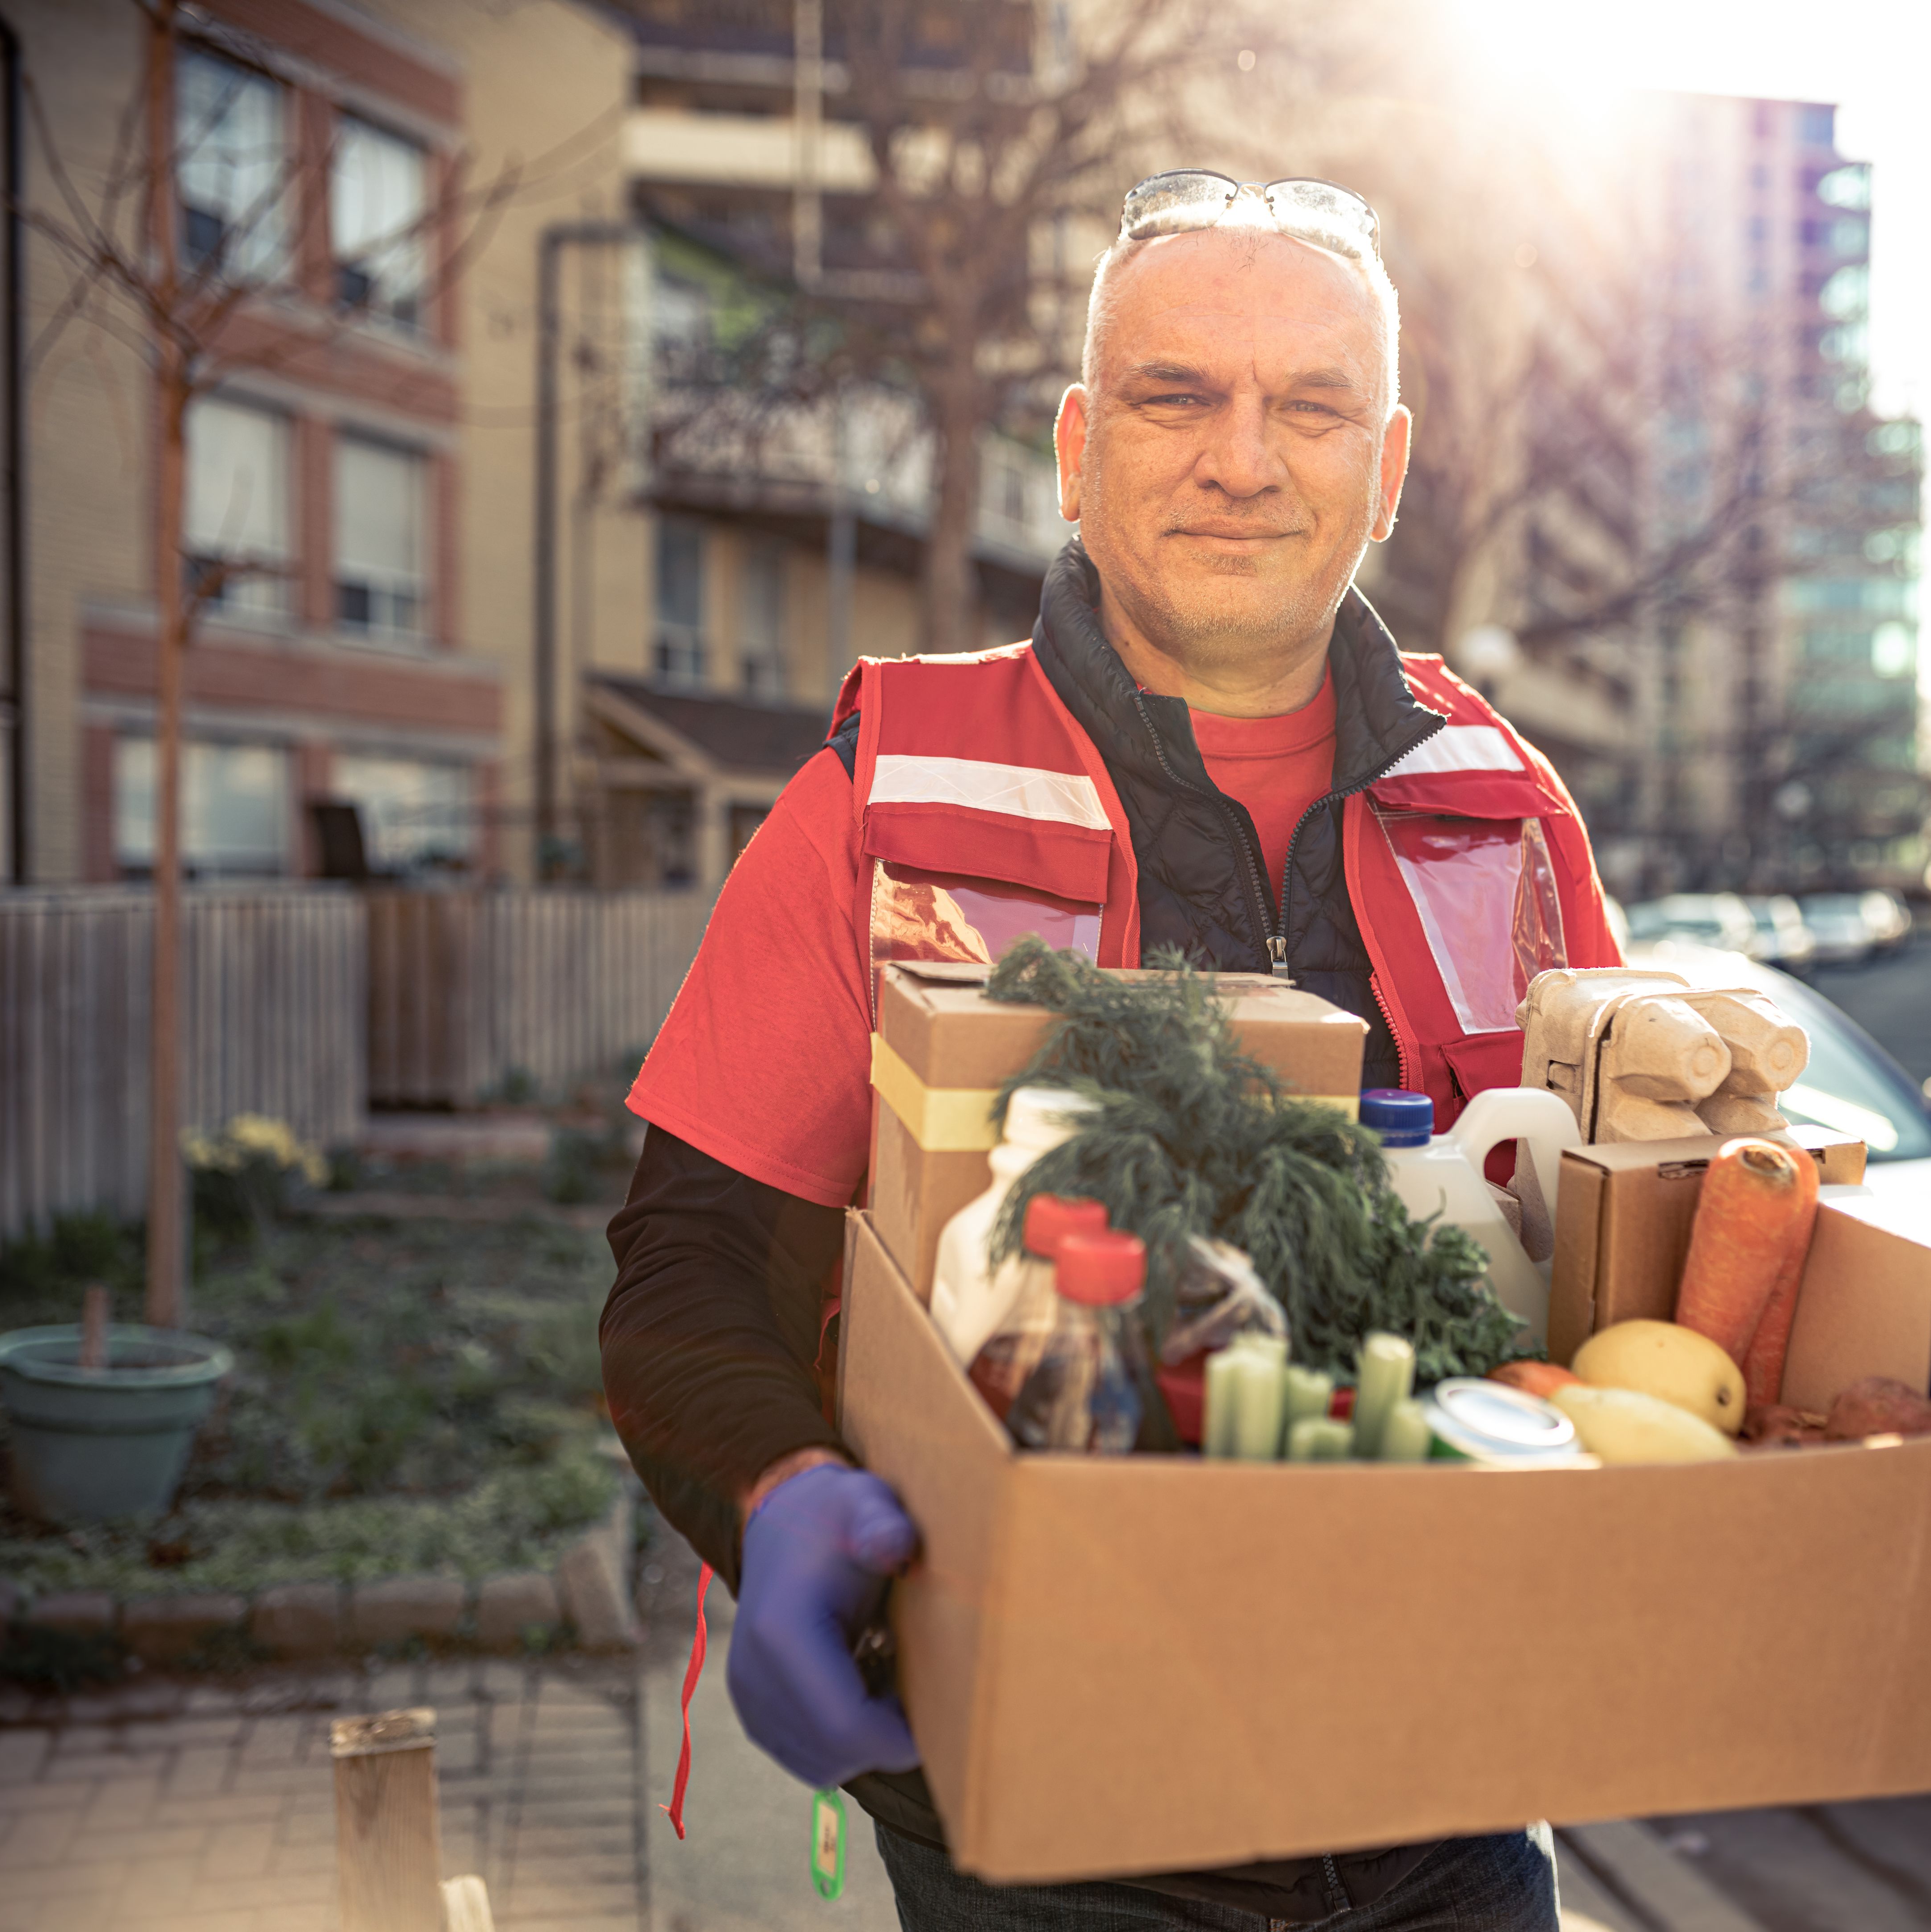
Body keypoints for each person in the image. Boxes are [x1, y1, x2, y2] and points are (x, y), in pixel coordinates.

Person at [602, 170, 1621, 1931]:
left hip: (1442, 1790)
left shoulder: (1508, 812)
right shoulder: (882, 795)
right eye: (1177, 397)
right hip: (1043, 1807)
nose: (1244, 458)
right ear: (1076, 451)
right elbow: (682, 1274)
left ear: (1385, 471)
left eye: (1310, 406)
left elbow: (1609, 1268)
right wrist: (776, 1496)